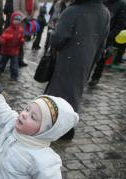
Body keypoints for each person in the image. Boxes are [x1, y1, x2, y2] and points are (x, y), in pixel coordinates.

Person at [44, 0, 110, 140]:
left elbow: (58, 40)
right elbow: (102, 44)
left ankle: (58, 128)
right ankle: (66, 127)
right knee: (74, 94)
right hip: (86, 62)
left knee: (59, 94)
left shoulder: (72, 11)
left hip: (67, 60)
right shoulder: (104, 12)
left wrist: (53, 32)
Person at [88, 0, 126, 86]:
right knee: (90, 57)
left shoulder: (121, 4)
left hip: (108, 37)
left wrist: (110, 35)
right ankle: (86, 75)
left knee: (102, 58)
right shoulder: (102, 2)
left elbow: (121, 23)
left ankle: (95, 78)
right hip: (95, 34)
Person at [0, 12, 24, 81]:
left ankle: (14, 76)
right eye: (15, 20)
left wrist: (22, 40)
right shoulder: (8, 30)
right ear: (12, 20)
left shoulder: (21, 30)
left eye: (19, 20)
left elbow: (21, 37)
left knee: (14, 65)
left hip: (15, 51)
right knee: (2, 63)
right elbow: (3, 37)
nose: (17, 22)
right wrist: (3, 40)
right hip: (6, 50)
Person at [13, 0, 39, 67]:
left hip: (31, 23)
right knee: (18, 41)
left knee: (23, 41)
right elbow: (16, 9)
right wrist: (24, 18)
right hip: (20, 22)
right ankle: (17, 59)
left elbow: (37, 8)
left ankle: (19, 58)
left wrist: (34, 18)